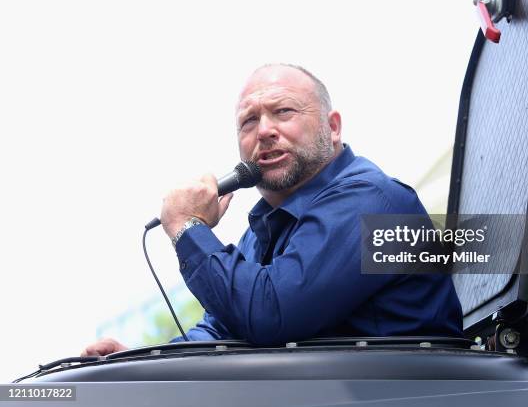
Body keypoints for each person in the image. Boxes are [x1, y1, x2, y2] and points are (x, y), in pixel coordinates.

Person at [82, 64, 463, 356]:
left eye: (283, 112)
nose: (264, 130)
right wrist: (146, 359)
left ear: (332, 128)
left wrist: (188, 228)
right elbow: (219, 330)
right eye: (249, 121)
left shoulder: (373, 203)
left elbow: (271, 313)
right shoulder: (265, 227)